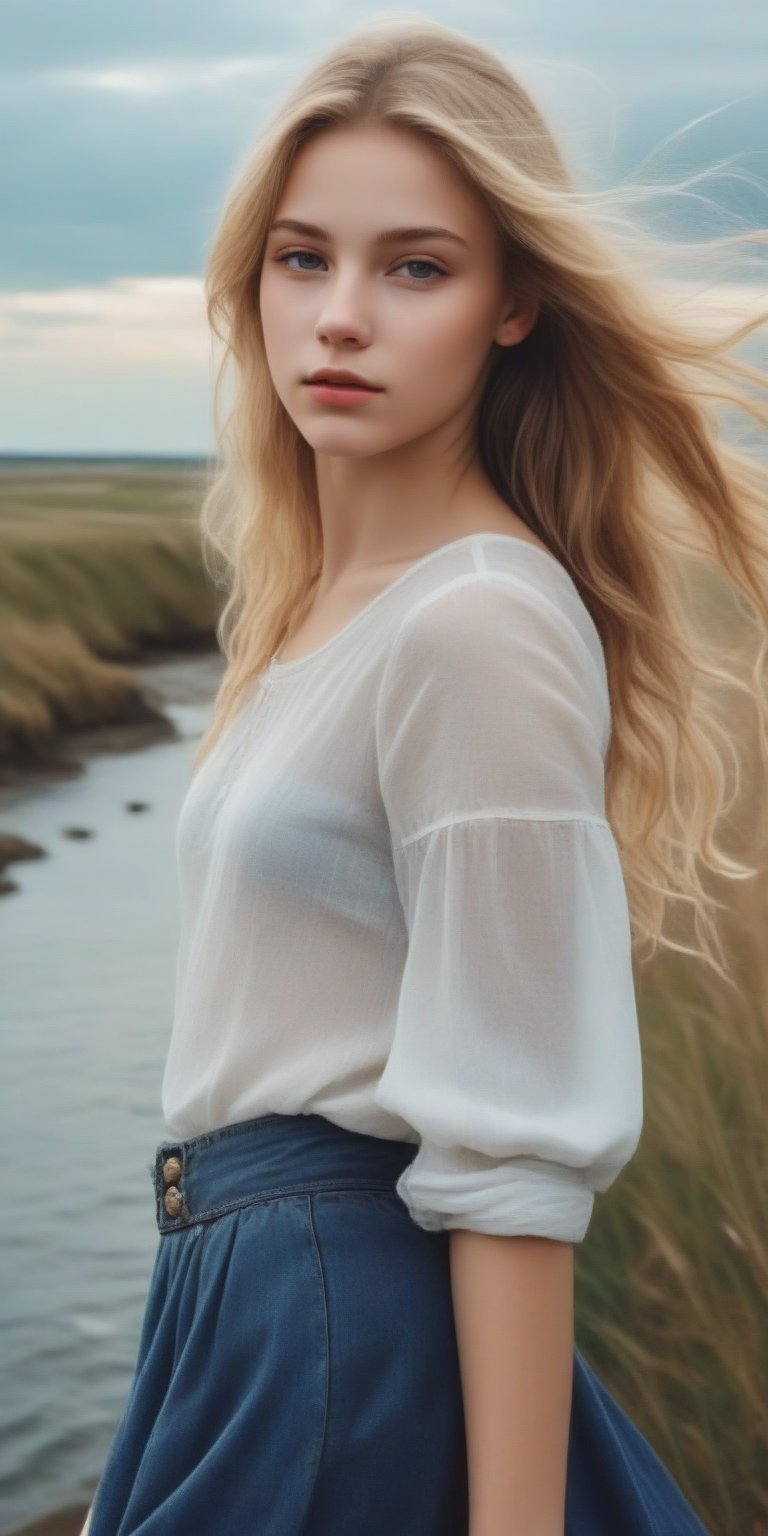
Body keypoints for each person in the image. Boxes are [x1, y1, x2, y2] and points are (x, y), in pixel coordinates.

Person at [81, 17, 768, 1536]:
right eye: (300, 257)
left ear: (515, 302)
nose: (338, 318)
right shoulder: (318, 608)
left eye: (415, 267)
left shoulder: (476, 624)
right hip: (237, 1312)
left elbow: (512, 1156)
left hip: (338, 1321)